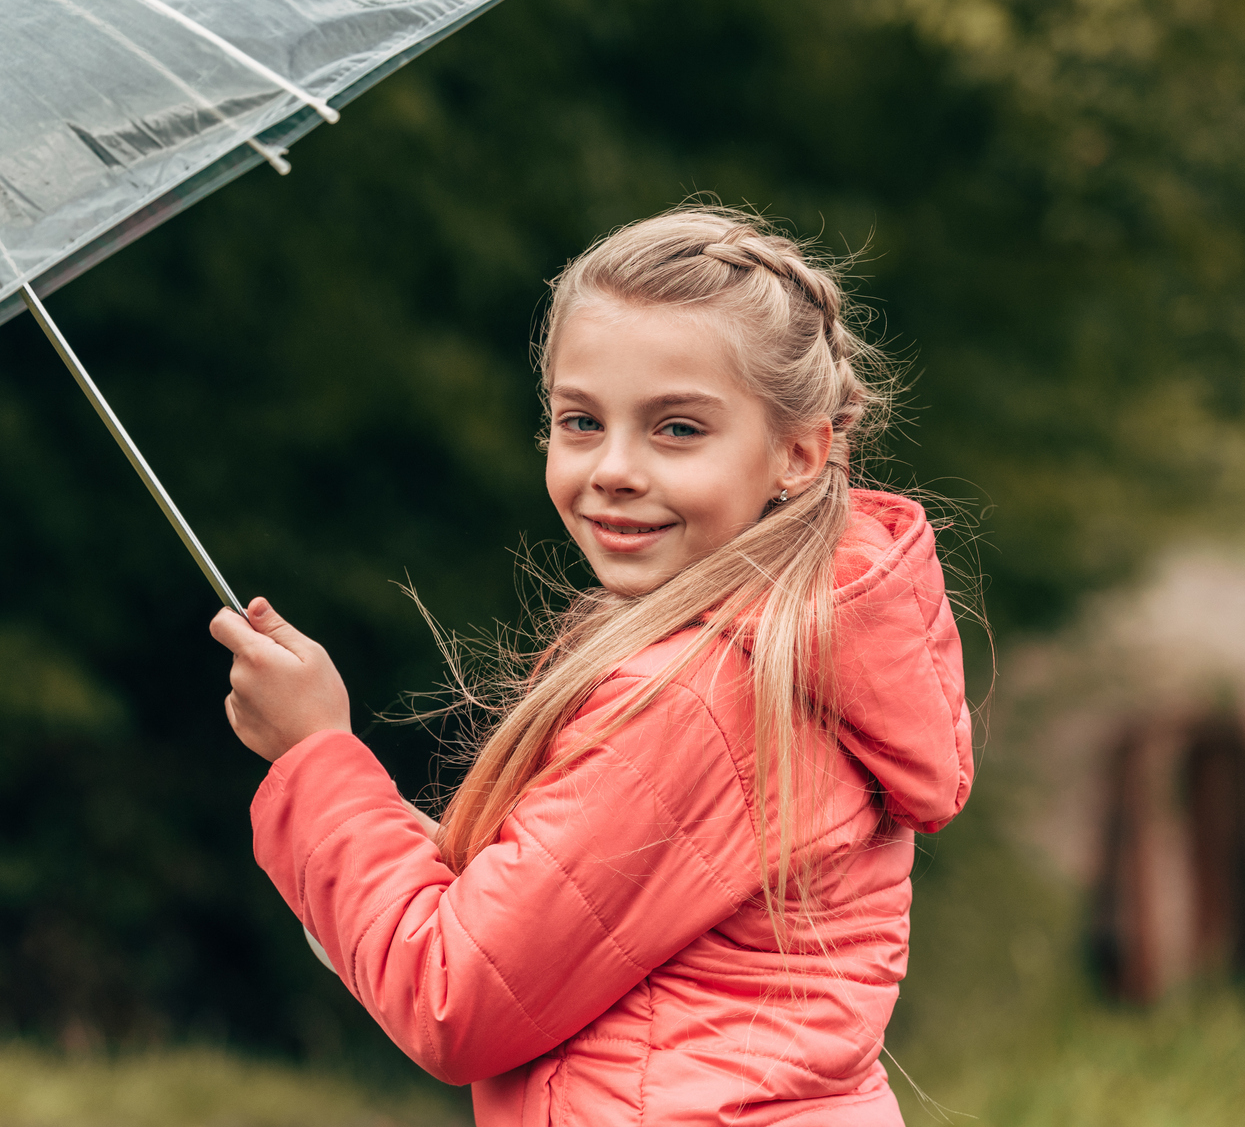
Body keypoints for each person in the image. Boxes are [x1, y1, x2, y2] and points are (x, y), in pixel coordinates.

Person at [211, 206, 974, 1125]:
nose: (612, 468)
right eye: (580, 421)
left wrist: (317, 760)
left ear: (800, 452)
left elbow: (451, 996)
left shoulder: (699, 693)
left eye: (677, 429)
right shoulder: (775, 647)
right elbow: (516, 933)